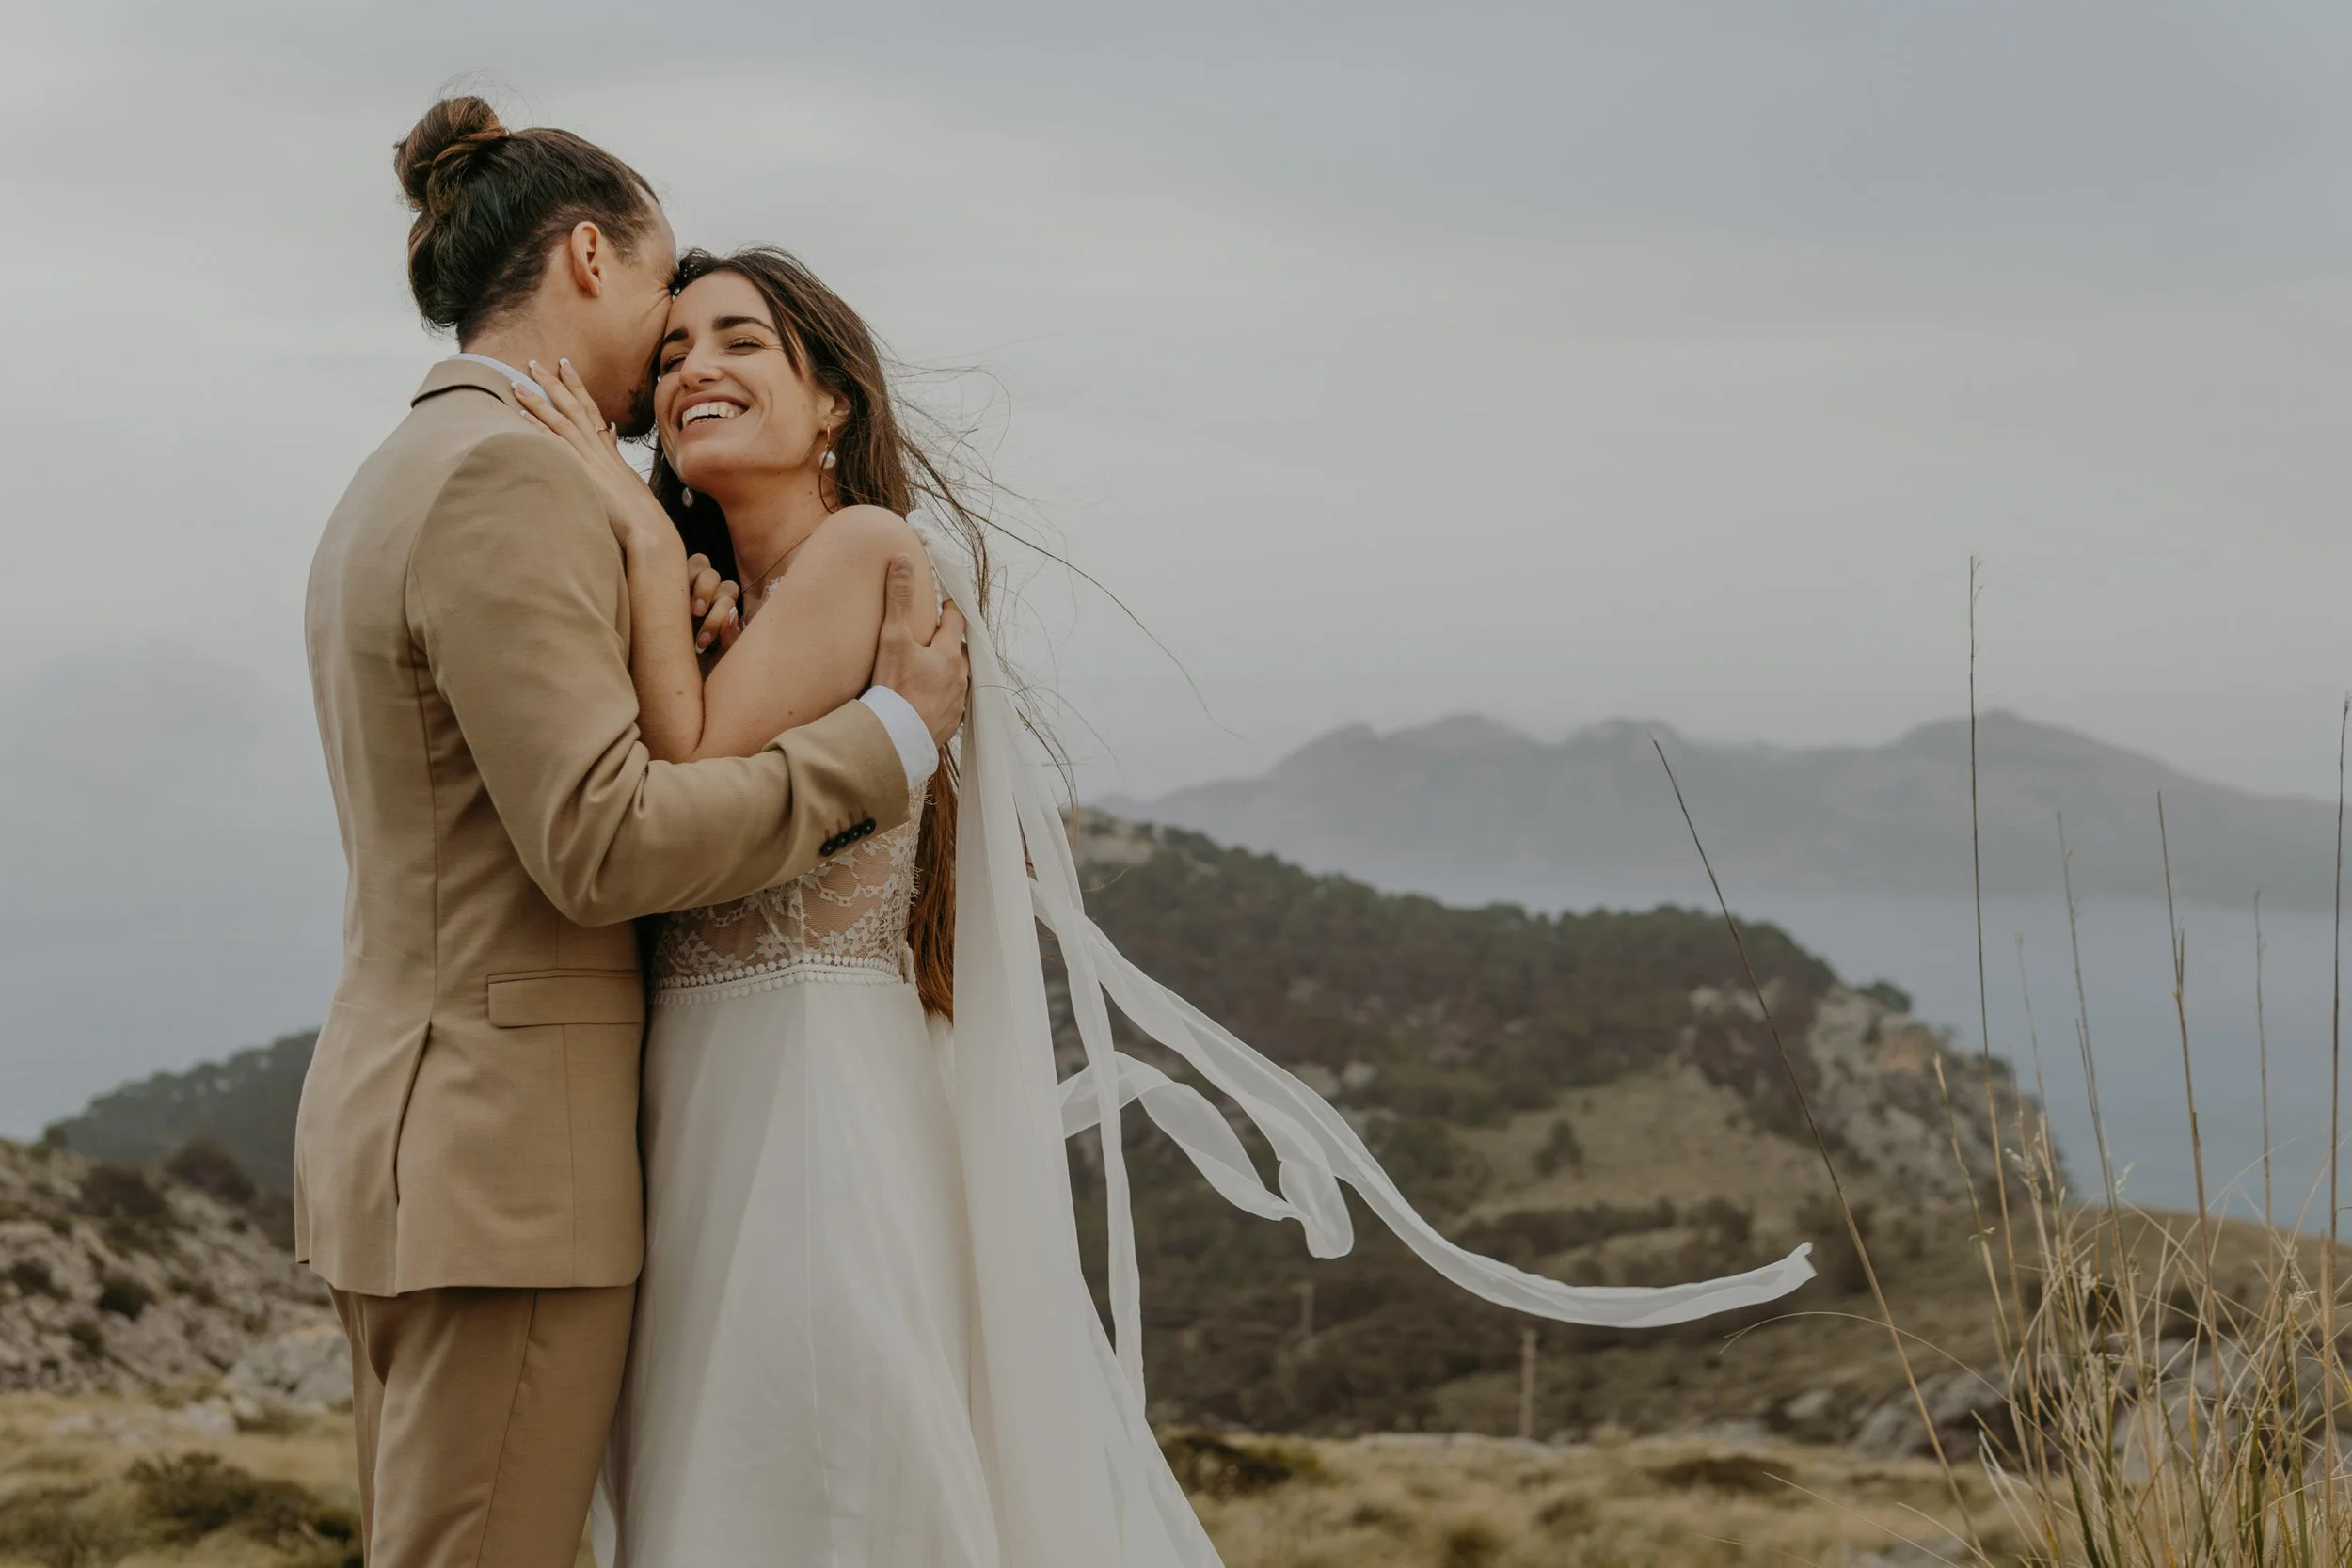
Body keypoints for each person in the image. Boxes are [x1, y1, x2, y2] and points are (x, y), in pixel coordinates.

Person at [514, 232, 1820, 1560]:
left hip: (807, 1095)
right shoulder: (727, 602)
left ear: (832, 399)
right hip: (699, 1094)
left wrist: (620, 511)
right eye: (672, 351)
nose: (694, 370)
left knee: (813, 1461)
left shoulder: (862, 549)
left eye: (741, 340)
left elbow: (677, 768)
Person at [294, 97, 968, 1568]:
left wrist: (673, 608)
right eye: (672, 305)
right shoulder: (512, 475)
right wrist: (892, 741)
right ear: (592, 258)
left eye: (735, 340)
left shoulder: (405, 467)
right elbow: (603, 839)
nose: (685, 352)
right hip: (506, 1169)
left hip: (448, 1150)